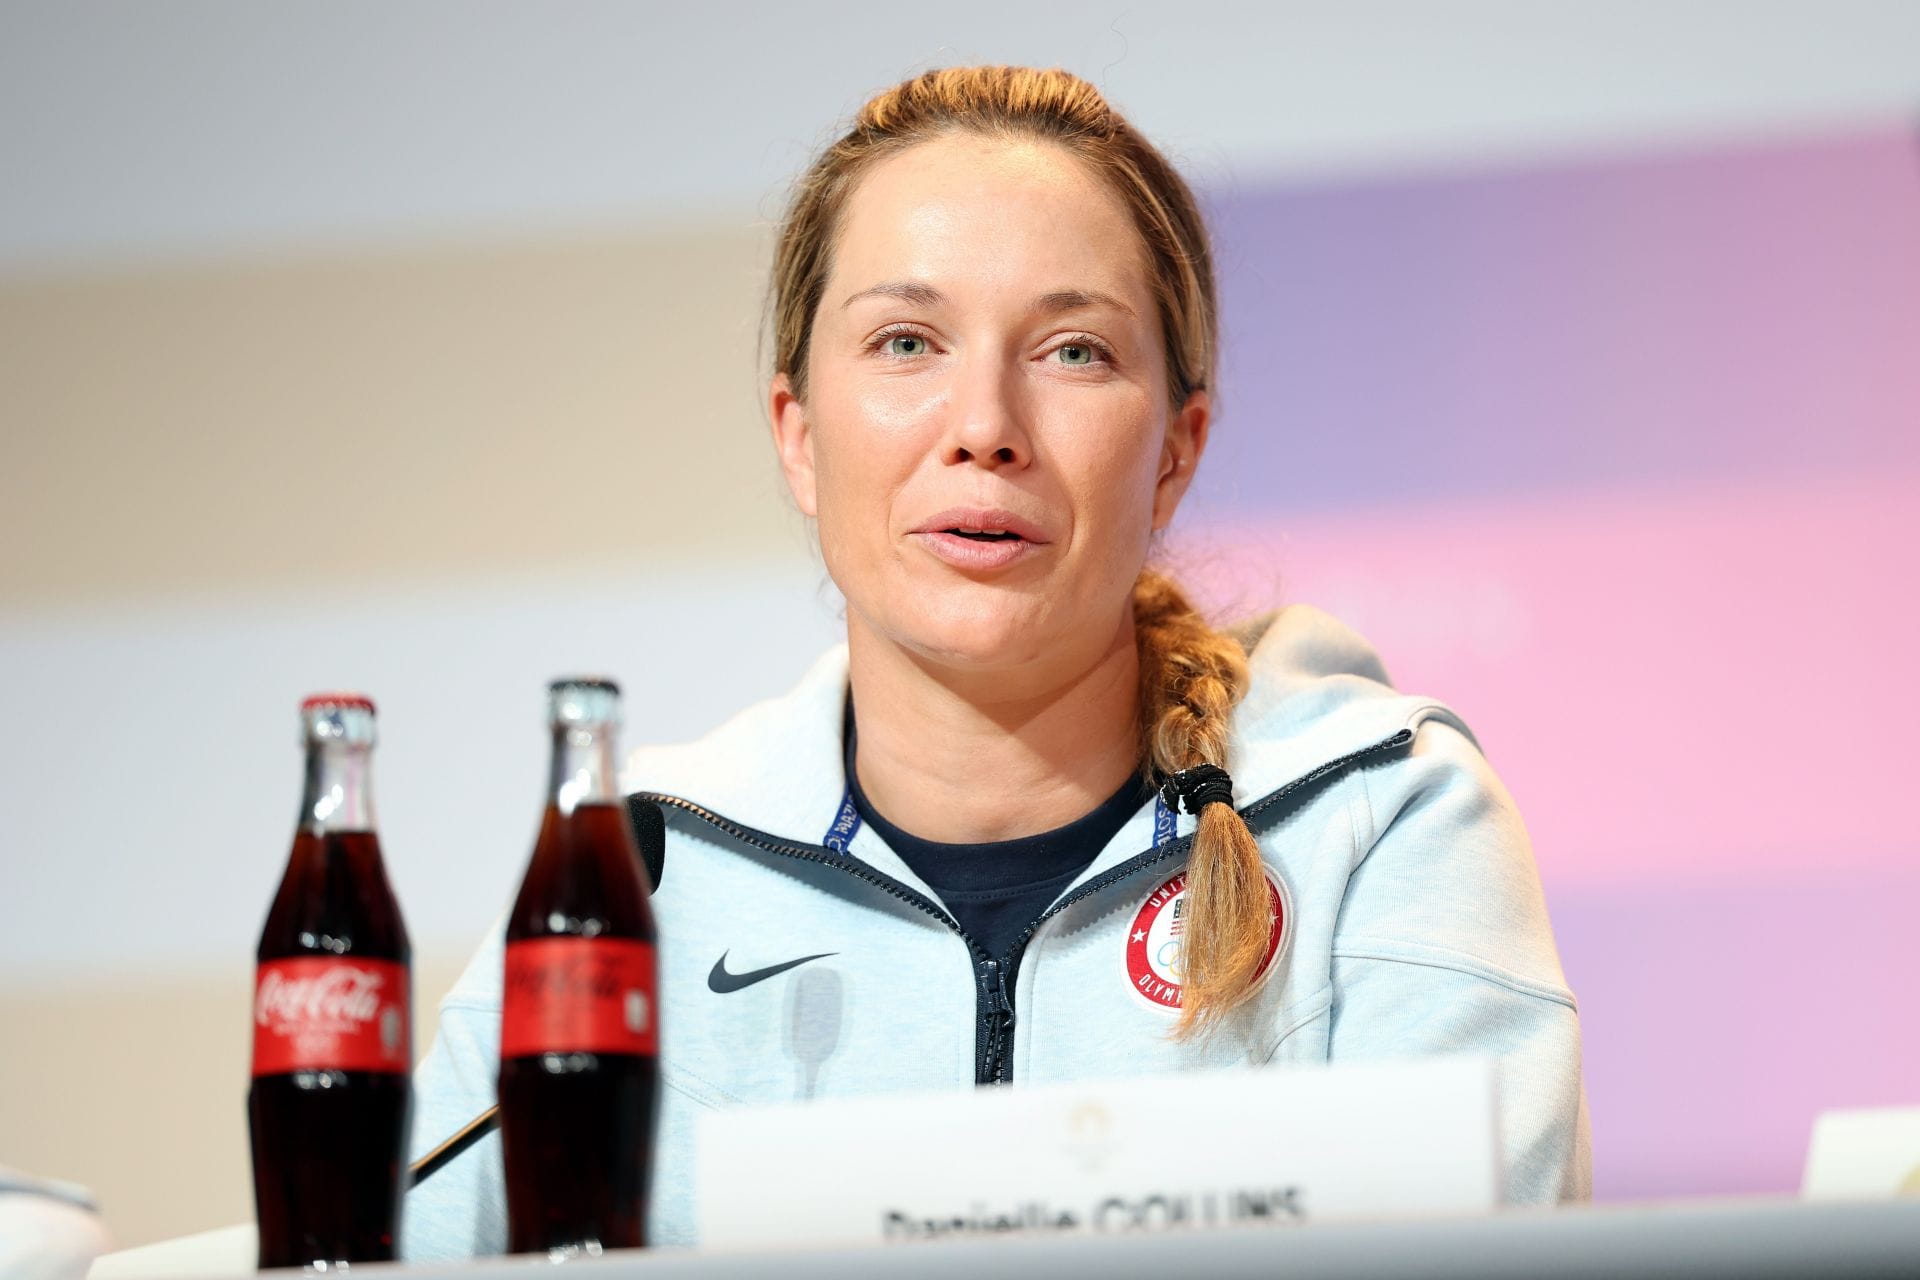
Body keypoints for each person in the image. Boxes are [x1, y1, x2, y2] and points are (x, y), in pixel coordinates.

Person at [403, 65, 1591, 1257]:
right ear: (799, 434)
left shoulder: (1385, 819)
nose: (986, 424)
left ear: (1176, 451)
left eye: (1073, 351)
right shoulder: (636, 872)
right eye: (907, 340)